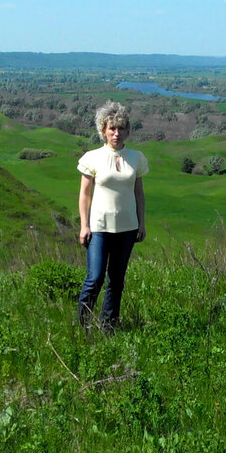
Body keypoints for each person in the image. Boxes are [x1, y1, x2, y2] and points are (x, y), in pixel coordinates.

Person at [76, 101, 148, 331]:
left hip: (127, 228)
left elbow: (139, 193)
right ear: (103, 130)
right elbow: (84, 195)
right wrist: (84, 225)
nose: (116, 133)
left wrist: (142, 223)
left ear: (127, 131)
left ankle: (109, 327)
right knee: (95, 278)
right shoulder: (92, 157)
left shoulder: (136, 158)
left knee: (116, 281)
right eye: (111, 128)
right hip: (99, 227)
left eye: (121, 128)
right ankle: (82, 326)